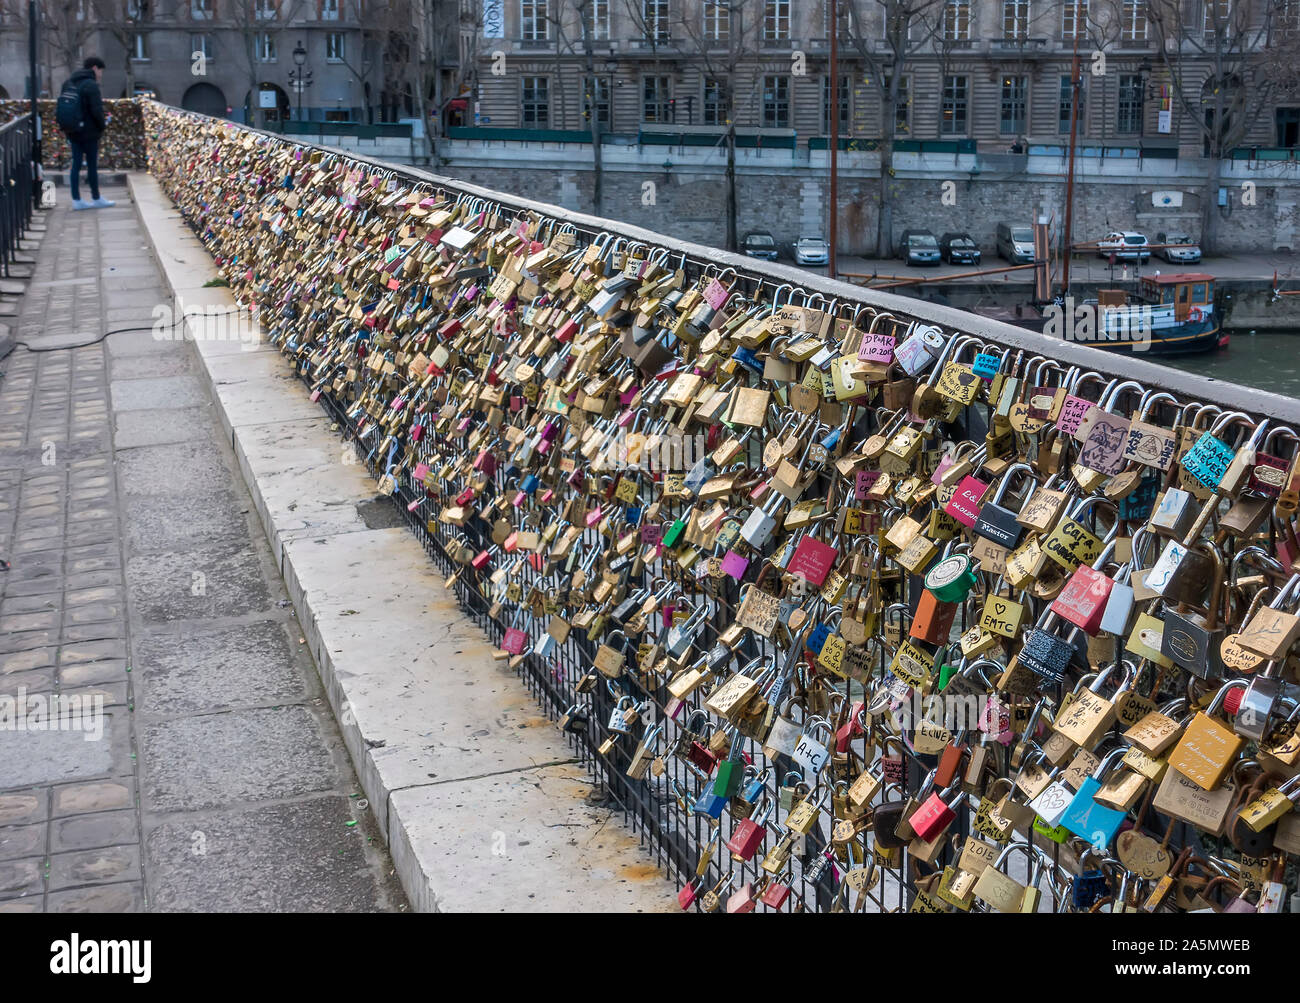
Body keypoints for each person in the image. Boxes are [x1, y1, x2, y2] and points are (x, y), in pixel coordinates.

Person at [56, 56, 115, 210]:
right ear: (95, 68)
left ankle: (76, 200)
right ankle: (96, 198)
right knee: (91, 165)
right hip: (89, 132)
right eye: (101, 71)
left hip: (72, 130)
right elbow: (97, 111)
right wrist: (102, 127)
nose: (101, 74)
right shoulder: (91, 85)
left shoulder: (68, 83)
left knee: (75, 165)